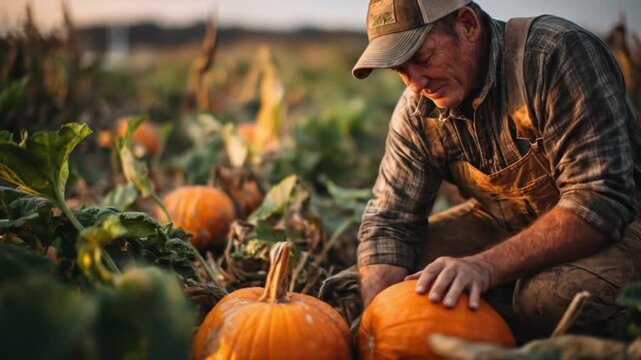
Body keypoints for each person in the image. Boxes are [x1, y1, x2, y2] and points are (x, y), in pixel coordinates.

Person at [353, 0, 641, 340]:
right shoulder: (417, 110)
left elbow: (600, 200)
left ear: (467, 24)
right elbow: (389, 223)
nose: (415, 84)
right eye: (400, 69)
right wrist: (379, 324)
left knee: (548, 299)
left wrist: (485, 267)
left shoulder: (554, 55)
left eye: (423, 57)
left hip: (622, 225)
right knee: (361, 288)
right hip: (506, 222)